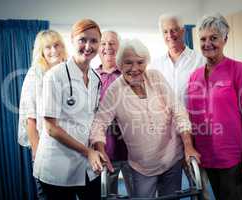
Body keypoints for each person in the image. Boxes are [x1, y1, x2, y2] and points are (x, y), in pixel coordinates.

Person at [89, 39, 200, 198]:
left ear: (146, 63)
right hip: (142, 166)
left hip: (172, 159)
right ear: (120, 64)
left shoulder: (154, 76)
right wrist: (100, 150)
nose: (135, 68)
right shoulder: (115, 91)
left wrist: (188, 146)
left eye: (140, 62)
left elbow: (178, 110)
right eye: (128, 63)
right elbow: (99, 123)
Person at [186, 13, 242, 200]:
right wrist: (189, 150)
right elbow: (191, 117)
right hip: (203, 157)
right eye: (203, 39)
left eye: (214, 38)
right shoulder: (194, 76)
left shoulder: (239, 69)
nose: (207, 43)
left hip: (231, 158)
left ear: (225, 39)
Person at [33, 19, 105, 200]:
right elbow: (50, 127)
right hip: (56, 165)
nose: (88, 46)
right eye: (82, 40)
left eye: (94, 41)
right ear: (72, 40)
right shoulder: (55, 76)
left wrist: (98, 149)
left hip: (87, 166)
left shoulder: (96, 79)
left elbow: (93, 119)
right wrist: (88, 151)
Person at [150, 13, 210, 200]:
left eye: (174, 30)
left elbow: (208, 97)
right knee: (169, 190)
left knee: (200, 187)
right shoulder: (156, 64)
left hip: (195, 132)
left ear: (183, 31)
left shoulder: (199, 60)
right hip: (166, 136)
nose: (170, 35)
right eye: (166, 31)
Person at [18, 29, 68, 199]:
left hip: (69, 151)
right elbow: (29, 119)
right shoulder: (34, 76)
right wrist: (39, 153)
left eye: (57, 45)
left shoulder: (68, 72)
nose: (54, 50)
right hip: (46, 151)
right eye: (48, 47)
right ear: (41, 52)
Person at [96, 30, 132, 195]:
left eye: (112, 43)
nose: (107, 47)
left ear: (119, 48)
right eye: (103, 43)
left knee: (140, 195)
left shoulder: (129, 73)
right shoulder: (91, 76)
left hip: (132, 151)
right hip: (105, 151)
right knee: (108, 195)